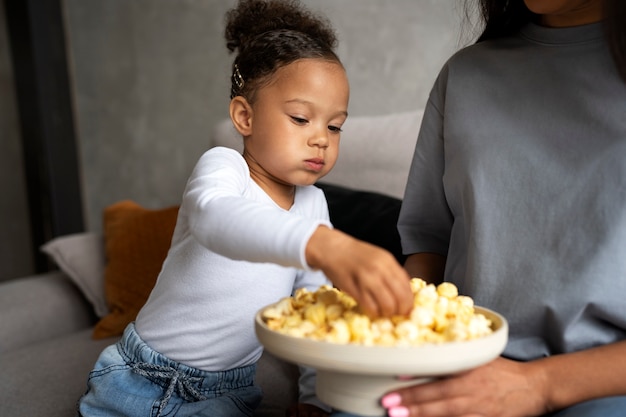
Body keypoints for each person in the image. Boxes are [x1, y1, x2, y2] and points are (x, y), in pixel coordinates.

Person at [76, 1, 413, 416]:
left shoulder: (313, 204)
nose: (321, 139)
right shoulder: (224, 167)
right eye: (300, 118)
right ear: (244, 116)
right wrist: (324, 245)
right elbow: (216, 219)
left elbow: (315, 310)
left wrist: (314, 399)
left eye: (334, 125)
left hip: (228, 393)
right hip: (142, 380)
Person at [369, 0, 626, 416]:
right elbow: (428, 246)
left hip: (603, 386)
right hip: (461, 367)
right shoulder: (465, 75)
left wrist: (536, 385)